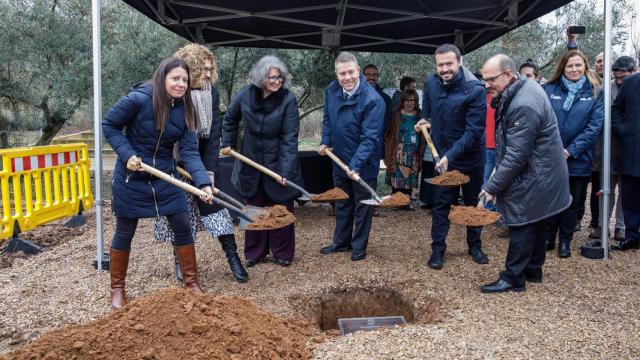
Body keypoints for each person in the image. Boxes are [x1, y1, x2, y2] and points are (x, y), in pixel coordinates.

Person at [103, 57, 213, 309]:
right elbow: (109, 125)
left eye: (185, 80)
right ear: (162, 78)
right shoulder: (139, 99)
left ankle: (191, 283)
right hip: (132, 175)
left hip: (164, 174)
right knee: (124, 232)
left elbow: (190, 152)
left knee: (182, 224)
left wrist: (203, 183)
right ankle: (117, 289)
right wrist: (127, 154)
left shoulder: (187, 109)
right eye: (175, 78)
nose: (181, 84)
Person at [154, 44, 248, 284]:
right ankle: (181, 261)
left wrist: (209, 173)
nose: (208, 73)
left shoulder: (211, 94)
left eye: (210, 69)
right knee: (179, 217)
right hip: (174, 167)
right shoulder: (173, 92)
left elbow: (213, 134)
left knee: (215, 210)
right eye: (203, 69)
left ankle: (232, 257)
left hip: (200, 164)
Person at [479, 54, 571, 293]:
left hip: (536, 174)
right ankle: (533, 269)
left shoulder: (523, 104)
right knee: (537, 220)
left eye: (490, 79)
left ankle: (513, 278)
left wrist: (491, 187)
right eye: (484, 79)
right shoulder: (523, 87)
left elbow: (517, 155)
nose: (486, 84)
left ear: (508, 74)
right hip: (544, 172)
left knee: (521, 222)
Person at [222, 55, 302, 267]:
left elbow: (289, 137)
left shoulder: (288, 99)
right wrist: (228, 142)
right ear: (260, 78)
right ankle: (254, 252)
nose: (276, 81)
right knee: (254, 207)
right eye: (272, 78)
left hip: (279, 160)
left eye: (280, 78)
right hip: (250, 159)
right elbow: (230, 118)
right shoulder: (246, 95)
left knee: (281, 207)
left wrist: (284, 170)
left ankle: (282, 251)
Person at [415, 43, 489, 270]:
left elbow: (473, 131)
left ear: (460, 62)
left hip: (470, 157)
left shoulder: (475, 89)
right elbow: (426, 113)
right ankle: (438, 249)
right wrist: (423, 122)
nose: (445, 68)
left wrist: (450, 155)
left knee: (472, 204)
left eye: (449, 63)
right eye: (440, 64)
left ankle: (474, 245)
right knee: (441, 204)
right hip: (443, 156)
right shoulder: (431, 83)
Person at [319, 52, 385, 261]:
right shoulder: (332, 91)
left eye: (350, 72)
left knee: (363, 204)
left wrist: (355, 165)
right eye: (342, 74)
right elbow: (328, 119)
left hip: (364, 162)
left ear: (358, 71)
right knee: (342, 202)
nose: (347, 78)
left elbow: (370, 138)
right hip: (339, 158)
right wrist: (325, 141)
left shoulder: (373, 100)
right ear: (336, 74)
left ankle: (359, 246)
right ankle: (341, 242)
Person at [543, 50, 604, 258]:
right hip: (550, 156)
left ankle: (565, 241)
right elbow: (541, 120)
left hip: (578, 158)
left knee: (571, 202)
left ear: (585, 67)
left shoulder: (595, 92)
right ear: (563, 67)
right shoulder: (549, 89)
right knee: (550, 198)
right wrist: (552, 149)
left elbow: (593, 128)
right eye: (570, 66)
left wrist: (570, 151)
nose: (574, 69)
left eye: (578, 65)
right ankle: (549, 237)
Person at [589, 56, 636, 240]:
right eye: (617, 78)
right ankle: (602, 225)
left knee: (627, 191)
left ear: (633, 71)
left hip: (630, 150)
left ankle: (621, 227)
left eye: (623, 77)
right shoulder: (605, 88)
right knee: (605, 188)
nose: (620, 82)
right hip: (608, 148)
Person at [610, 70, 640, 251]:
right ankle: (632, 235)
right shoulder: (630, 82)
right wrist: (623, 130)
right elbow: (616, 109)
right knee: (630, 197)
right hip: (632, 151)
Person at [383, 89, 424, 210]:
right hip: (398, 151)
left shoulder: (420, 115)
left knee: (410, 178)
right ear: (402, 102)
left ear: (416, 101)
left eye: (412, 100)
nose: (409, 103)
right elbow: (389, 134)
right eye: (406, 100)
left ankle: (406, 202)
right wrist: (388, 153)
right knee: (397, 177)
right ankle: (396, 202)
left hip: (413, 153)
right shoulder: (396, 114)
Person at [363, 64, 393, 133]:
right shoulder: (356, 96)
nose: (371, 77)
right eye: (368, 74)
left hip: (378, 139)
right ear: (362, 76)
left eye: (374, 74)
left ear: (377, 77)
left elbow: (388, 121)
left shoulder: (385, 99)